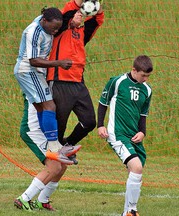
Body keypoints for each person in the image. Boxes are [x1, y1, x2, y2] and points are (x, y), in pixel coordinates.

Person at [13, 7, 81, 211]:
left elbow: (62, 11)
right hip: (33, 131)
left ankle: (43, 199)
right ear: (44, 20)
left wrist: (77, 12)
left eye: (57, 29)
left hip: (41, 122)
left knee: (62, 165)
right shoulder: (33, 33)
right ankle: (24, 199)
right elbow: (32, 61)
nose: (54, 33)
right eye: (53, 29)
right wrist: (58, 63)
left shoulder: (42, 83)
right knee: (55, 165)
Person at [97, 55, 153, 216]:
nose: (145, 79)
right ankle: (132, 211)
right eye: (143, 75)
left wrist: (142, 132)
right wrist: (100, 125)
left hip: (134, 137)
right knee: (136, 167)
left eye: (148, 76)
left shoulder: (147, 90)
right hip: (117, 134)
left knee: (134, 172)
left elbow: (143, 115)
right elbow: (103, 103)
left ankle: (127, 212)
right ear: (134, 70)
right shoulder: (117, 82)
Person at [47, 0, 104, 157]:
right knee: (59, 126)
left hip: (78, 83)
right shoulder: (60, 29)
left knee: (89, 121)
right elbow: (69, 9)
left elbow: (98, 19)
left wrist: (97, 4)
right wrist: (75, 10)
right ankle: (53, 158)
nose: (79, 13)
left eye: (82, 11)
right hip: (60, 82)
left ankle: (67, 145)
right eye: (76, 12)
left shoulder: (82, 33)